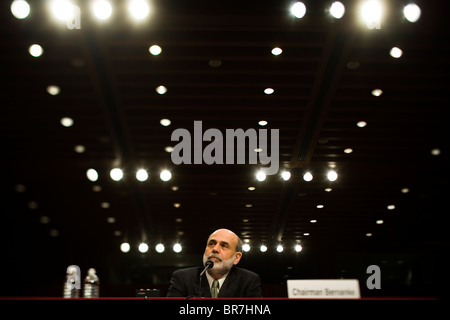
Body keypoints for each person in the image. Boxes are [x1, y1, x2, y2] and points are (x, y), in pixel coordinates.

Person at [167, 228, 262, 297]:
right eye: (211, 244)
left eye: (224, 245)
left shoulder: (248, 281)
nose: (215, 249)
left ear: (236, 258)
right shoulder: (182, 278)